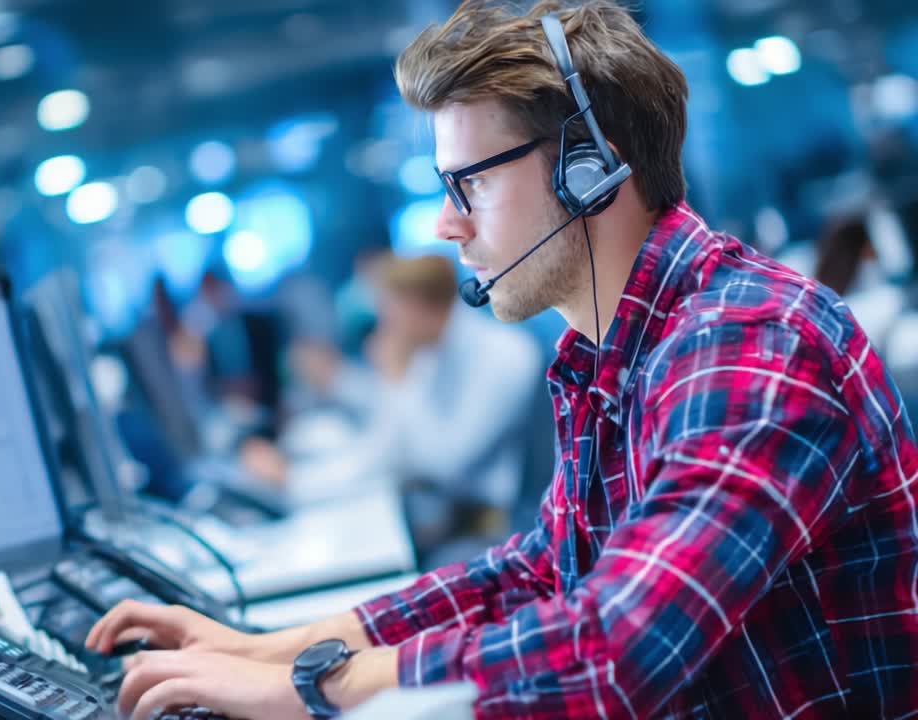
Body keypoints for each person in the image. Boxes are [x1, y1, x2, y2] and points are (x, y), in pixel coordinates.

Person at [85, 1, 918, 718]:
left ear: (588, 172)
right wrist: (273, 649)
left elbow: (613, 653)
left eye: (468, 186)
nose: (446, 226)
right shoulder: (613, 353)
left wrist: (309, 689)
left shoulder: (749, 344)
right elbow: (533, 573)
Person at [241, 254, 541, 543]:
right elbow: (387, 447)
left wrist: (397, 378)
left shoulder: (505, 354)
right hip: (440, 513)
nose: (384, 325)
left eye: (388, 310)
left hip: (486, 528)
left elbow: (442, 464)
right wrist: (298, 481)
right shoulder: (431, 352)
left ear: (416, 306)